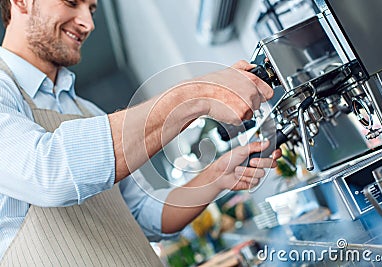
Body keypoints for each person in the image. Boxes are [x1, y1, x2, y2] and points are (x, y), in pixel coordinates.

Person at [0, 0, 281, 265]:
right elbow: (50, 171)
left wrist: (218, 175)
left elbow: (144, 216)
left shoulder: (88, 111)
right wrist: (197, 95)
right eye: (72, 2)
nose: (88, 22)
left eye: (92, 9)